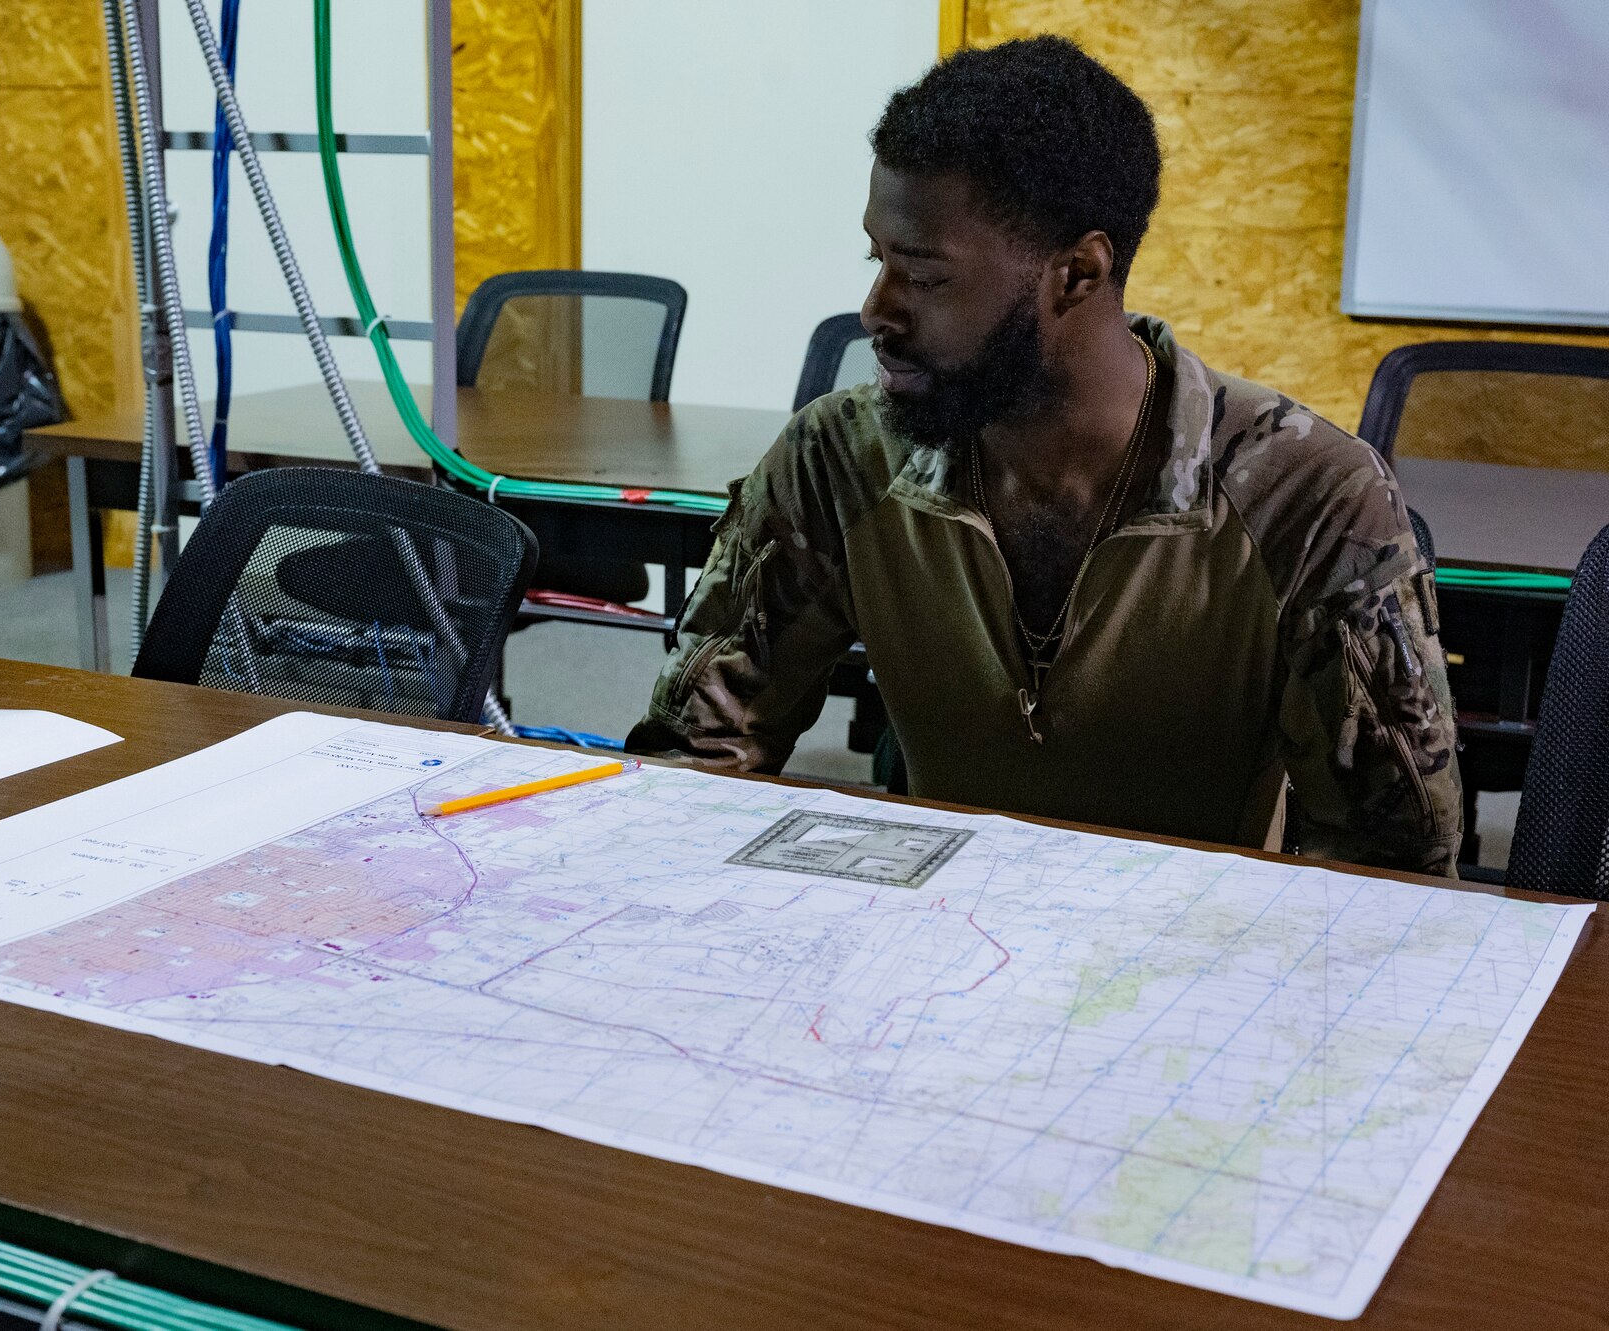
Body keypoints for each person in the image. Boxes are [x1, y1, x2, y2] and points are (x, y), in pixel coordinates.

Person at [626, 35, 1460, 876]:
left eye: (924, 275)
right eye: (878, 260)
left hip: (1190, 965)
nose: (875, 309)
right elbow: (695, 759)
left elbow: (1396, 874)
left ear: (1078, 273)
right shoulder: (840, 457)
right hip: (931, 947)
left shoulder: (1309, 494)